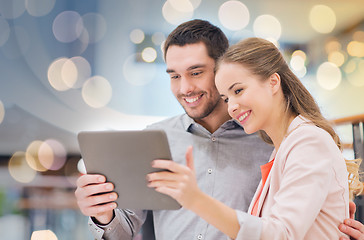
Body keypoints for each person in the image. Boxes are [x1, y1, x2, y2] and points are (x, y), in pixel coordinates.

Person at [75, 19, 273, 240]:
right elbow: (124, 232)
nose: (185, 88)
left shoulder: (266, 142)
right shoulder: (154, 139)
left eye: (196, 73)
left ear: (222, 70)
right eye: (175, 76)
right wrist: (104, 214)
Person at [146, 37, 352, 239]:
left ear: (273, 82)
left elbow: (281, 234)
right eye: (226, 98)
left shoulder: (308, 141)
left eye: (238, 90)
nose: (232, 107)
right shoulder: (281, 148)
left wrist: (196, 200)